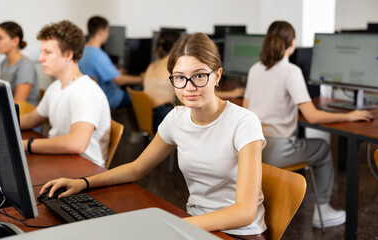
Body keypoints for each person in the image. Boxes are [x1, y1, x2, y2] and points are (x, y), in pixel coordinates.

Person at [41, 33, 268, 239]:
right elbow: (137, 168)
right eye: (179, 77)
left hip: (239, 233)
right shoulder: (177, 118)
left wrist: (173, 225)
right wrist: (84, 182)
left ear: (217, 75)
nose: (189, 87)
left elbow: (245, 212)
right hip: (194, 225)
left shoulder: (244, 122)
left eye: (199, 76)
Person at [243, 21, 373, 229]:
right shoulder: (291, 71)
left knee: (303, 144)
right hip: (277, 151)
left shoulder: (255, 69)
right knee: (321, 148)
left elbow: (246, 111)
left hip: (253, 149)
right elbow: (311, 116)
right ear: (292, 43)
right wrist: (350, 116)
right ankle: (323, 211)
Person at [19, 20, 111, 168]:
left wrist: (27, 145)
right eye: (41, 52)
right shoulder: (56, 87)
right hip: (60, 159)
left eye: (47, 52)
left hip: (83, 170)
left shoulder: (86, 91)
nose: (40, 58)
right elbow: (32, 118)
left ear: (68, 55)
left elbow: (77, 144)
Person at [79, 16, 142, 111]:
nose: (108, 35)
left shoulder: (83, 51)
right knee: (141, 94)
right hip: (109, 99)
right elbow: (120, 80)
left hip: (90, 99)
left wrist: (115, 71)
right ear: (100, 32)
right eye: (107, 32)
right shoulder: (98, 55)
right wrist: (143, 80)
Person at [143, 30, 180, 133]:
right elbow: (195, 90)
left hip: (150, 116)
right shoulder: (173, 65)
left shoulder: (152, 65)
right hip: (162, 117)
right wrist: (228, 93)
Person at [0, 21, 39, 106]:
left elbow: (18, 103)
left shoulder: (26, 66)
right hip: (10, 110)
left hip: (24, 115)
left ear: (15, 41)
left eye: (0, 38)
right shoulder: (4, 63)